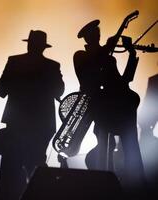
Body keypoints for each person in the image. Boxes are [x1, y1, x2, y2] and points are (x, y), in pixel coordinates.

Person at [73, 20, 145, 188]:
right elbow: (89, 78)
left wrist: (132, 54)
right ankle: (103, 184)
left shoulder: (108, 59)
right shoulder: (81, 56)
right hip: (100, 109)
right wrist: (106, 49)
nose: (97, 36)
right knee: (105, 146)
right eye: (94, 35)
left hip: (119, 108)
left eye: (98, 34)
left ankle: (134, 184)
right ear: (87, 38)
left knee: (130, 144)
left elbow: (124, 80)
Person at [0, 30, 64, 200]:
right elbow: (59, 91)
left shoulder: (15, 62)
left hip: (17, 124)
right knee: (36, 170)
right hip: (42, 126)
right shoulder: (52, 66)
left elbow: (1, 90)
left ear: (29, 44)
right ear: (43, 47)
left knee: (10, 171)